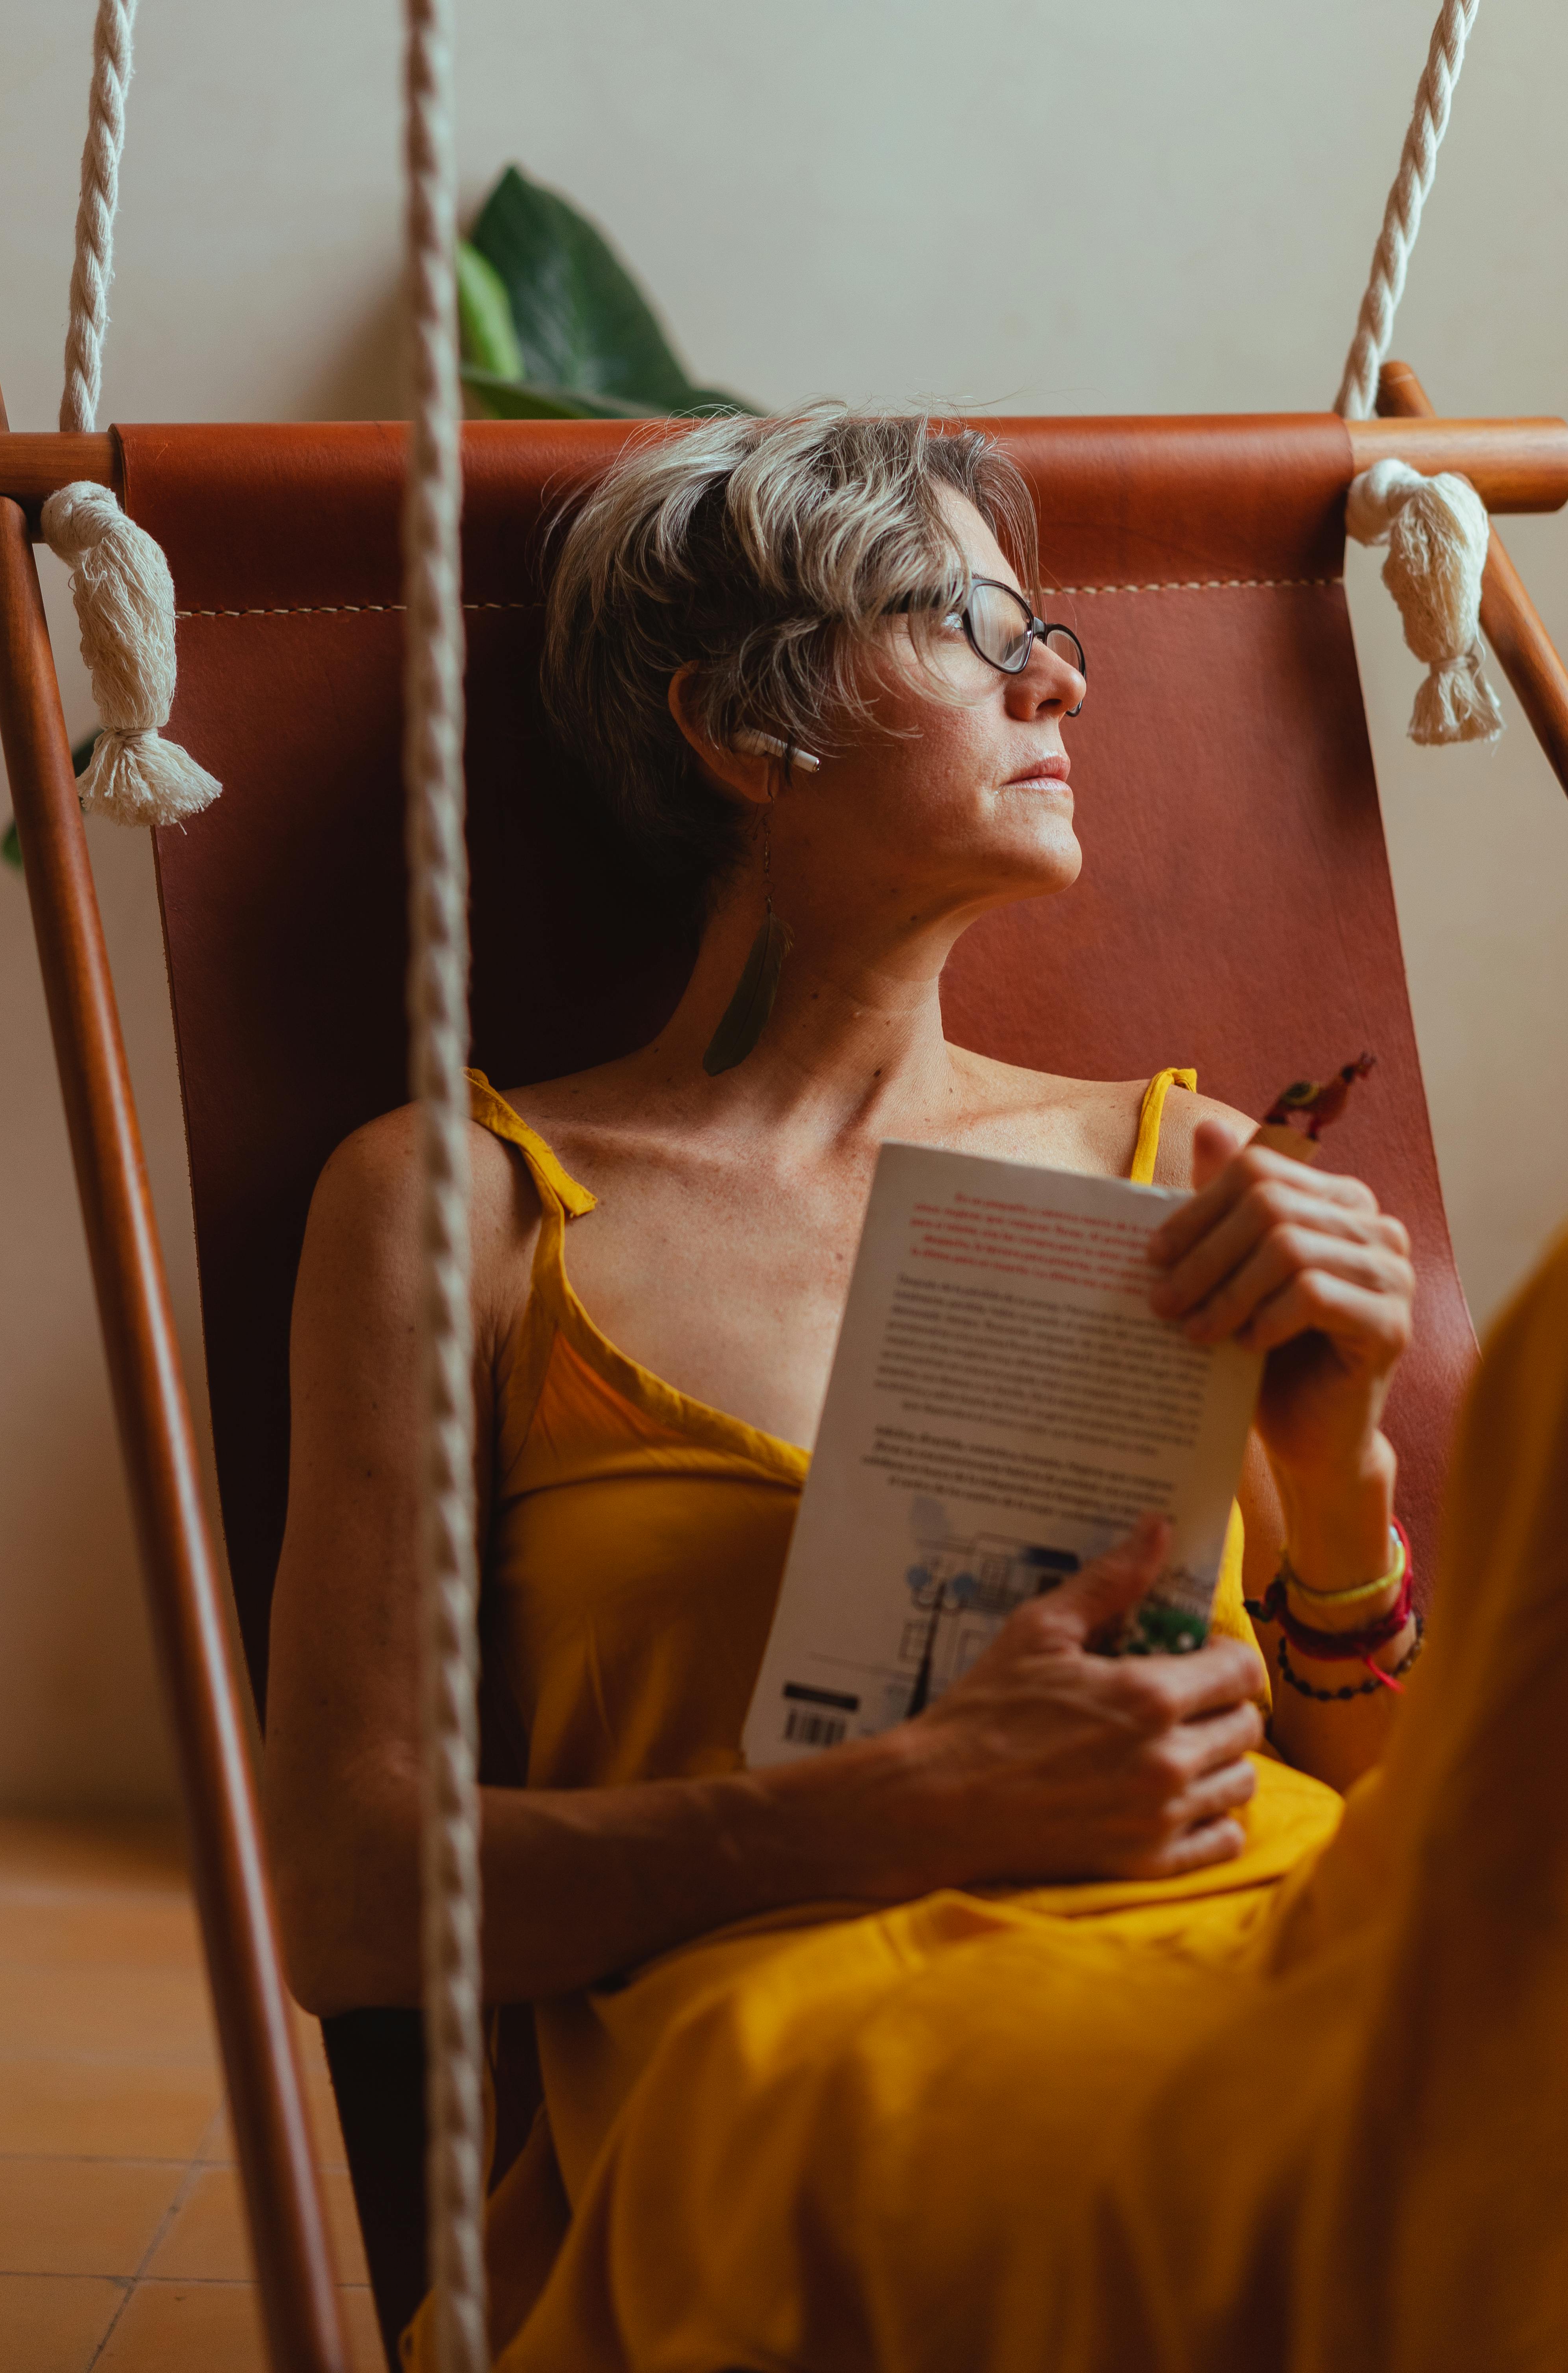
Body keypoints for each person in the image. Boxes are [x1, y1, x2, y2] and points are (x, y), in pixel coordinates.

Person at [261, 410, 1541, 2373]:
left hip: (1282, 1957)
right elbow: (350, 1903)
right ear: (738, 731)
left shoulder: (1189, 1181)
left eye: (1053, 636)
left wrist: (1336, 1464)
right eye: (969, 621)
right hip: (822, 2053)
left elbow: (1391, 1815)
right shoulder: (461, 1207)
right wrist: (894, 1811)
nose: (1060, 677)